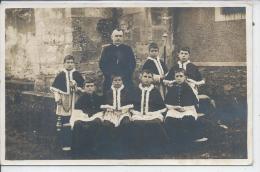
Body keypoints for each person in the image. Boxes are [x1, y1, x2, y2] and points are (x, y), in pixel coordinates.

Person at [164, 68, 207, 153]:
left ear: (185, 77)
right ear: (174, 77)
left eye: (181, 76)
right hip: (174, 110)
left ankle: (187, 143)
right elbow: (167, 103)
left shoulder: (188, 88)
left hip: (188, 109)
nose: (179, 78)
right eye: (177, 76)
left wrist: (185, 108)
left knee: (187, 120)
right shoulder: (172, 88)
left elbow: (194, 102)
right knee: (170, 120)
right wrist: (174, 107)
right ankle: (174, 143)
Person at [130, 69, 168, 156]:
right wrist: (137, 112)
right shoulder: (136, 90)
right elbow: (133, 103)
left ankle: (154, 149)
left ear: (152, 79)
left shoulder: (155, 91)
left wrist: (152, 112)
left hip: (152, 114)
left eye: (149, 77)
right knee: (138, 124)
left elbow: (160, 105)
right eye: (145, 76)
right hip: (138, 113)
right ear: (140, 78)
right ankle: (139, 149)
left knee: (153, 124)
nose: (147, 79)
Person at [50, 55, 84, 151]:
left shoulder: (77, 74)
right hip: (63, 100)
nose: (69, 64)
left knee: (75, 120)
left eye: (71, 62)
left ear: (74, 64)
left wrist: (75, 86)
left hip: (75, 99)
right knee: (64, 121)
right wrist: (57, 97)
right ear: (64, 64)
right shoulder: (60, 75)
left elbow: (82, 88)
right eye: (67, 62)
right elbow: (55, 89)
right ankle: (65, 144)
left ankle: (75, 143)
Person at [98, 74, 133, 157]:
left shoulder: (126, 92)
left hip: (123, 112)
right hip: (111, 113)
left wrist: (123, 110)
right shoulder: (108, 92)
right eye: (115, 80)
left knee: (126, 123)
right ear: (112, 82)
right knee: (107, 124)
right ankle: (110, 148)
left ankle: (124, 147)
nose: (117, 82)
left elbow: (130, 104)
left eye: (119, 80)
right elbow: (104, 104)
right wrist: (110, 109)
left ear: (122, 81)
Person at [70, 77, 104, 158]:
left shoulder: (98, 98)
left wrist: (94, 114)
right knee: (77, 124)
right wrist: (84, 116)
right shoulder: (81, 98)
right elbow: (77, 111)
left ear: (94, 87)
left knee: (97, 122)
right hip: (83, 116)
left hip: (95, 116)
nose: (90, 88)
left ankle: (95, 148)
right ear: (84, 88)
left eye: (91, 86)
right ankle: (79, 150)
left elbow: (101, 109)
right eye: (87, 86)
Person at [99, 29, 136, 93]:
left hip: (125, 79)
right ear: (112, 37)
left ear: (122, 37)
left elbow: (132, 64)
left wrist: (124, 75)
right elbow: (102, 64)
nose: (118, 38)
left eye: (120, 36)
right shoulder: (107, 50)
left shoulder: (128, 49)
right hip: (110, 80)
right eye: (116, 36)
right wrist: (110, 75)